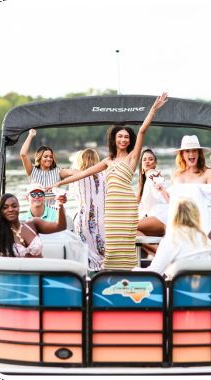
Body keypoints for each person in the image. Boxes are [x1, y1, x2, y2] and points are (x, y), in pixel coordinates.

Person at [45, 92, 169, 270]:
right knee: (111, 246)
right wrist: (59, 183)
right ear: (114, 139)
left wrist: (153, 110)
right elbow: (83, 173)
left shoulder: (133, 157)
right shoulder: (107, 161)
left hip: (127, 206)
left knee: (126, 244)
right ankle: (112, 277)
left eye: (126, 137)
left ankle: (130, 276)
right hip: (110, 209)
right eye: (120, 136)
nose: (123, 139)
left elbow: (142, 130)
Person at [133, 197, 211, 276]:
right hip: (203, 288)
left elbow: (154, 273)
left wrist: (134, 270)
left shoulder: (171, 241)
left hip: (178, 288)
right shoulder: (206, 240)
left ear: (173, 216)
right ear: (196, 216)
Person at [0, 193, 67, 257]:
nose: (10, 209)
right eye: (5, 207)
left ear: (18, 207)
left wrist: (60, 205)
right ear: (0, 210)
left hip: (41, 273)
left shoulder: (32, 224)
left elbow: (60, 226)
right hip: (16, 276)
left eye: (14, 206)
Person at [69, 148, 107, 276]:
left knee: (85, 252)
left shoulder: (77, 176)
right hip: (103, 219)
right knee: (102, 252)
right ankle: (101, 281)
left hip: (84, 219)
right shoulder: (105, 174)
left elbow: (74, 195)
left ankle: (86, 282)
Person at [20, 129, 79, 208]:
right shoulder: (31, 170)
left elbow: (75, 172)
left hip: (55, 214)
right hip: (38, 214)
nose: (49, 159)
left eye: (51, 157)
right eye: (45, 156)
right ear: (39, 157)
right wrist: (30, 135)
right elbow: (23, 154)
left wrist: (60, 183)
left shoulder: (58, 172)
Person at [136, 149, 168, 259]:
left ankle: (158, 251)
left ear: (155, 163)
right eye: (144, 159)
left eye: (150, 159)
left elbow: (158, 184)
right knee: (130, 229)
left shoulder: (153, 174)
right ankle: (151, 253)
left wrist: (157, 183)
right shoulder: (142, 183)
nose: (147, 162)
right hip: (155, 217)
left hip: (162, 216)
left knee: (129, 227)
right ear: (141, 164)